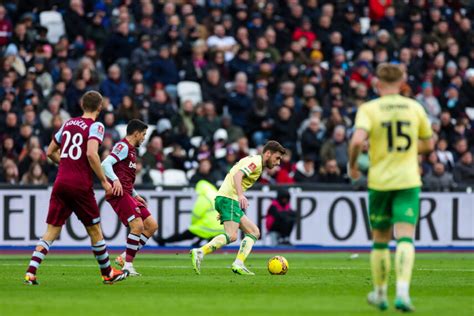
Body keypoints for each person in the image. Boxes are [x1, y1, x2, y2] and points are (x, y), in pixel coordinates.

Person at [349, 63, 434, 312]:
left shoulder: (369, 108)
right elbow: (429, 145)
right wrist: (408, 150)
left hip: (380, 182)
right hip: (408, 180)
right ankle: (404, 294)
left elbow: (356, 141)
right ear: (403, 82)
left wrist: (353, 165)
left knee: (380, 241)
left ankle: (379, 293)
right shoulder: (414, 107)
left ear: (377, 83)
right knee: (406, 236)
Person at [24, 91, 128, 285]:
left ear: (82, 105)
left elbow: (49, 152)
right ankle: (107, 273)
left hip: (61, 182)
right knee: (95, 229)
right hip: (80, 185)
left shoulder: (68, 123)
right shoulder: (96, 125)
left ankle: (31, 272)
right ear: (100, 107)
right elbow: (91, 154)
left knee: (51, 231)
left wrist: (66, 164)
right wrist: (105, 182)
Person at [190, 140, 286, 275]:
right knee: (231, 235)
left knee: (253, 232)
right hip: (230, 199)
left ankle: (238, 263)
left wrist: (224, 206)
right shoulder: (256, 162)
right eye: (277, 158)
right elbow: (237, 175)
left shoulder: (254, 161)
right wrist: (240, 195)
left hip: (227, 199)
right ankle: (200, 252)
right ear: (268, 153)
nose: (278, 163)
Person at [101, 119, 158, 276]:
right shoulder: (123, 146)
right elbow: (105, 164)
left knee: (151, 225)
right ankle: (128, 266)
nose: (144, 138)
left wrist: (135, 195)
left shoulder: (132, 150)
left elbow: (125, 177)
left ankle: (124, 257)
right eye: (143, 134)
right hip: (119, 193)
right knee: (138, 226)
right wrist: (115, 180)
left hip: (128, 193)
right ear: (136, 133)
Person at [158, 180, 224, 247]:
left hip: (208, 228)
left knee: (188, 234)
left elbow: (196, 214)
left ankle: (164, 241)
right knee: (206, 236)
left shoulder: (204, 197)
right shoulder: (218, 195)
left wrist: (193, 224)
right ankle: (199, 243)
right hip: (222, 228)